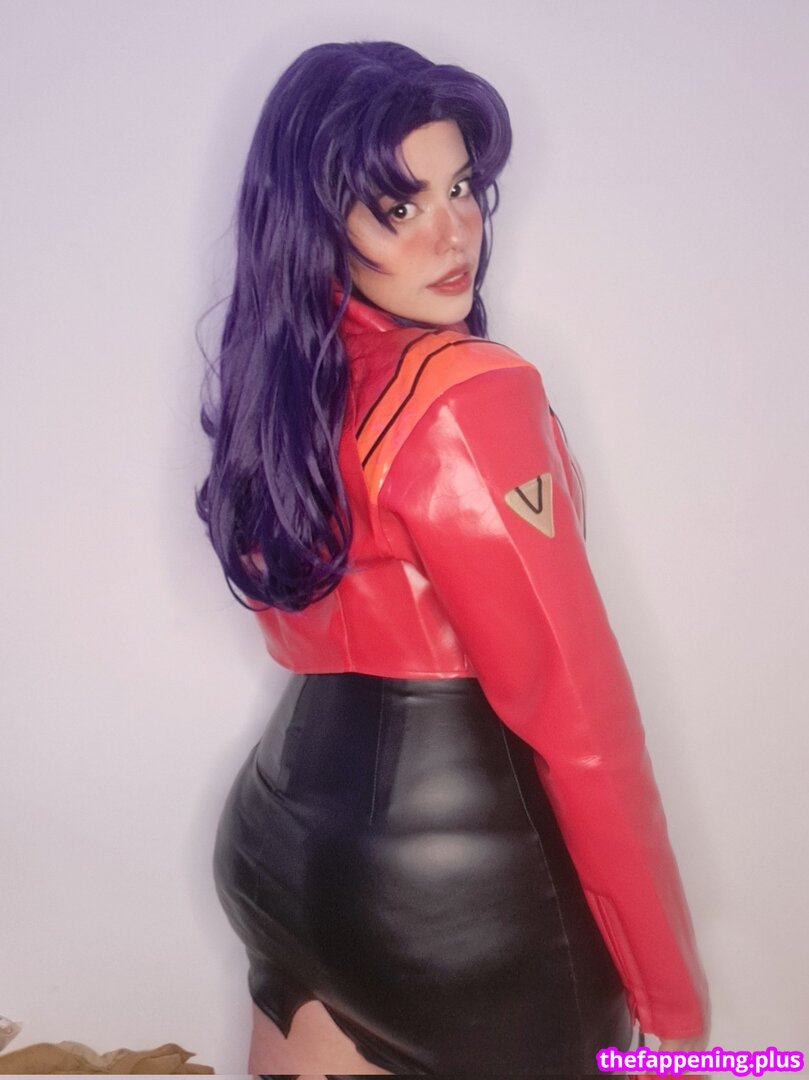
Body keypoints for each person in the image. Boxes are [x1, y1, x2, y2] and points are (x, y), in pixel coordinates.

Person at [197, 41, 709, 1076]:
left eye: (462, 188)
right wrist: (670, 998)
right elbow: (579, 720)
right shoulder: (468, 394)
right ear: (318, 223)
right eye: (399, 206)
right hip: (448, 909)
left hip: (281, 851)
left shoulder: (288, 387)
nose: (452, 233)